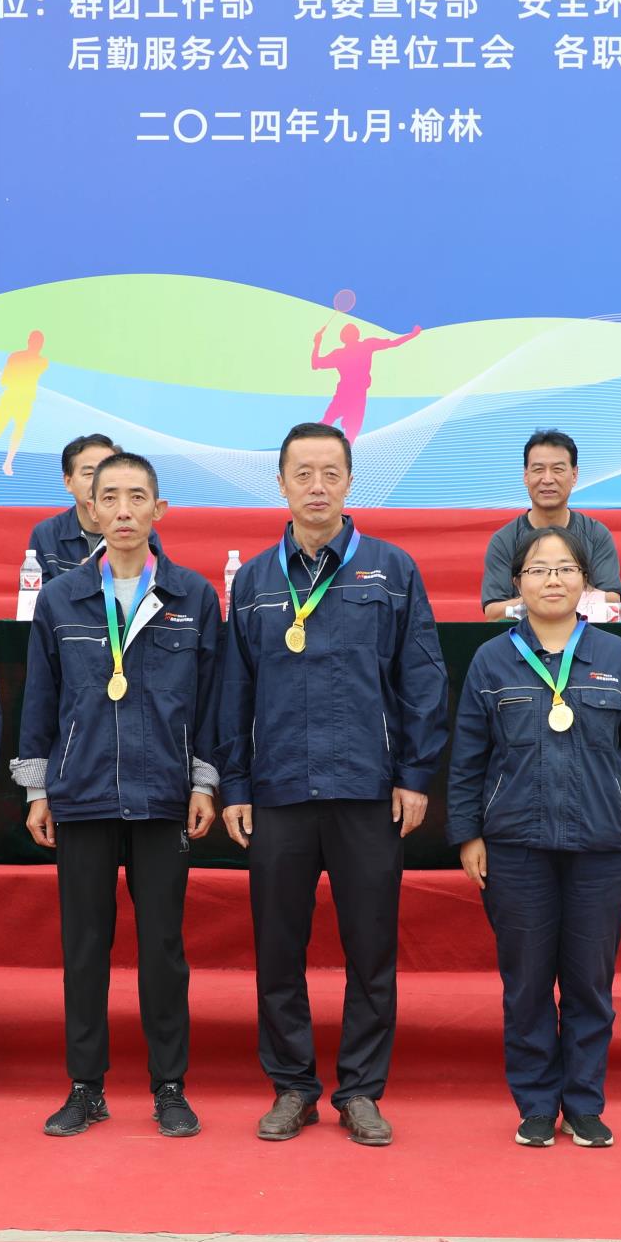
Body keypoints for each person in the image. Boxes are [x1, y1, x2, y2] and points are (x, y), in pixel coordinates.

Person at [216, 422, 450, 1146]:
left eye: (330, 473)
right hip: (279, 788)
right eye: (303, 474)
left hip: (367, 789)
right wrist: (235, 785)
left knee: (371, 949)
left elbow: (422, 678)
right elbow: (234, 691)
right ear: (281, 484)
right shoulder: (255, 580)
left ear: (350, 482)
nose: (317, 487)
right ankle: (292, 1087)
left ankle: (361, 1090)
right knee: (277, 950)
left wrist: (415, 775)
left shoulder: (391, 569)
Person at [12, 452, 219, 1140]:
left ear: (160, 509)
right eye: (111, 498)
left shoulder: (193, 595)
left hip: (163, 795)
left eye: (138, 497)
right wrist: (38, 787)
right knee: (84, 947)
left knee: (163, 947)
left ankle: (169, 1086)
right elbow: (40, 698)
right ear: (91, 509)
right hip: (82, 791)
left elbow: (213, 700)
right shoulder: (61, 597)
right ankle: (85, 1086)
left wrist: (204, 780)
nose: (124, 510)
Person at [447, 527, 621, 1149]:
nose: (552, 580)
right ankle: (538, 1105)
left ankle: (585, 1103)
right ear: (517, 584)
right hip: (515, 845)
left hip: (603, 844)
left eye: (565, 568)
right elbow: (467, 757)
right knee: (527, 982)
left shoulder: (617, 657)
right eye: (538, 570)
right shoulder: (492, 660)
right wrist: (466, 833)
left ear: (585, 582)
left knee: (590, 982)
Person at [479, 430, 621, 619]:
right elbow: (493, 613)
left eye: (557, 469)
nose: (547, 479)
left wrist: (544, 597)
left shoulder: (596, 534)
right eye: (538, 470)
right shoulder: (504, 540)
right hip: (523, 636)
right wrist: (546, 598)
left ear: (574, 475)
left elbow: (612, 601)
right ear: (526, 476)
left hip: (582, 633)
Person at [26, 433, 159, 583]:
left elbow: (155, 586)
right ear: (68, 482)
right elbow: (36, 595)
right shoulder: (47, 533)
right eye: (89, 474)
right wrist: (83, 576)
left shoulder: (139, 532)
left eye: (107, 473)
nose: (98, 482)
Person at [312, 320, 421, 440]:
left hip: (349, 394)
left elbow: (315, 364)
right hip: (352, 395)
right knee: (347, 431)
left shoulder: (343, 353)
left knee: (336, 426)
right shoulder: (363, 346)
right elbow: (394, 343)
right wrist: (412, 335)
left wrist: (317, 343)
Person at [0, 330, 50, 477]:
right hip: (11, 396)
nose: (36, 345)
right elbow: (4, 379)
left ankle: (8, 462)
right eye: (34, 341)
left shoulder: (42, 362)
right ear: (29, 341)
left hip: (25, 401)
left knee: (18, 429)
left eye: (38, 343)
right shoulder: (16, 357)